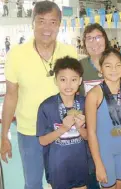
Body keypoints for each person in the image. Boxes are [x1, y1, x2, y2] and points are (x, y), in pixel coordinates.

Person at [0, 1, 77, 189]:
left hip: (63, 130)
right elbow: (10, 96)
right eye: (41, 21)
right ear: (32, 23)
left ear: (59, 25)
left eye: (52, 22)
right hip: (30, 133)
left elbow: (75, 90)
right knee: (33, 183)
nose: (46, 28)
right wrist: (4, 136)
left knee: (64, 181)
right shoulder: (17, 55)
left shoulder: (69, 52)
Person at [86, 48, 121, 189]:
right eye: (108, 65)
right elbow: (91, 132)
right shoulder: (94, 95)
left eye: (118, 65)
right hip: (104, 153)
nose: (113, 69)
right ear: (101, 69)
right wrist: (98, 164)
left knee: (119, 185)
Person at [36, 56, 88, 189]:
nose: (68, 85)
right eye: (63, 79)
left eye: (73, 80)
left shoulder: (86, 103)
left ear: (80, 81)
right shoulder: (46, 107)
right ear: (56, 81)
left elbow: (90, 137)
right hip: (58, 169)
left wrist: (80, 127)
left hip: (81, 166)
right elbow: (42, 141)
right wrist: (63, 128)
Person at [79, 23, 121, 96]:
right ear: (84, 43)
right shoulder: (79, 66)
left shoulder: (120, 64)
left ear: (105, 39)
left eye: (98, 37)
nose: (94, 42)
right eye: (89, 38)